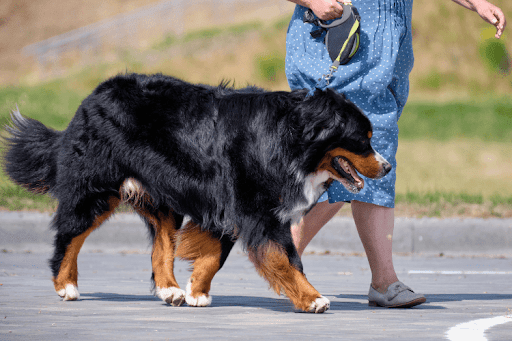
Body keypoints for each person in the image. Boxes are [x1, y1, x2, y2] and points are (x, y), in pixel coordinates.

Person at [285, 0, 506, 307]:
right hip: (337, 53)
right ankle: (291, 263)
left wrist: (477, 3)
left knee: (367, 166)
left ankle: (372, 278)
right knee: (339, 164)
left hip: (385, 62)